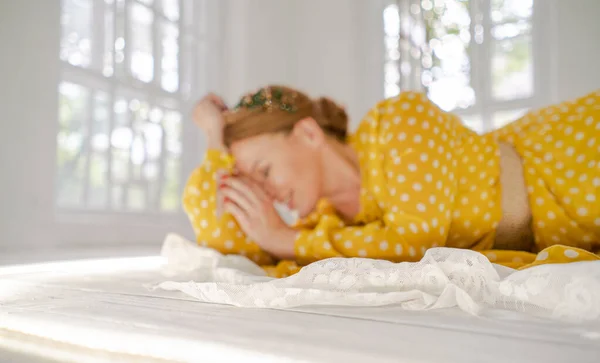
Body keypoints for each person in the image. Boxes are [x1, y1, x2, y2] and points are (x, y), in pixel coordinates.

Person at [183, 85, 600, 277]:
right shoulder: (325, 227)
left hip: (567, 163)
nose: (266, 193)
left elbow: (416, 241)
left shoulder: (399, 123)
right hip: (558, 235)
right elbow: (225, 241)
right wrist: (215, 141)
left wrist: (287, 242)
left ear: (309, 134)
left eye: (264, 171)